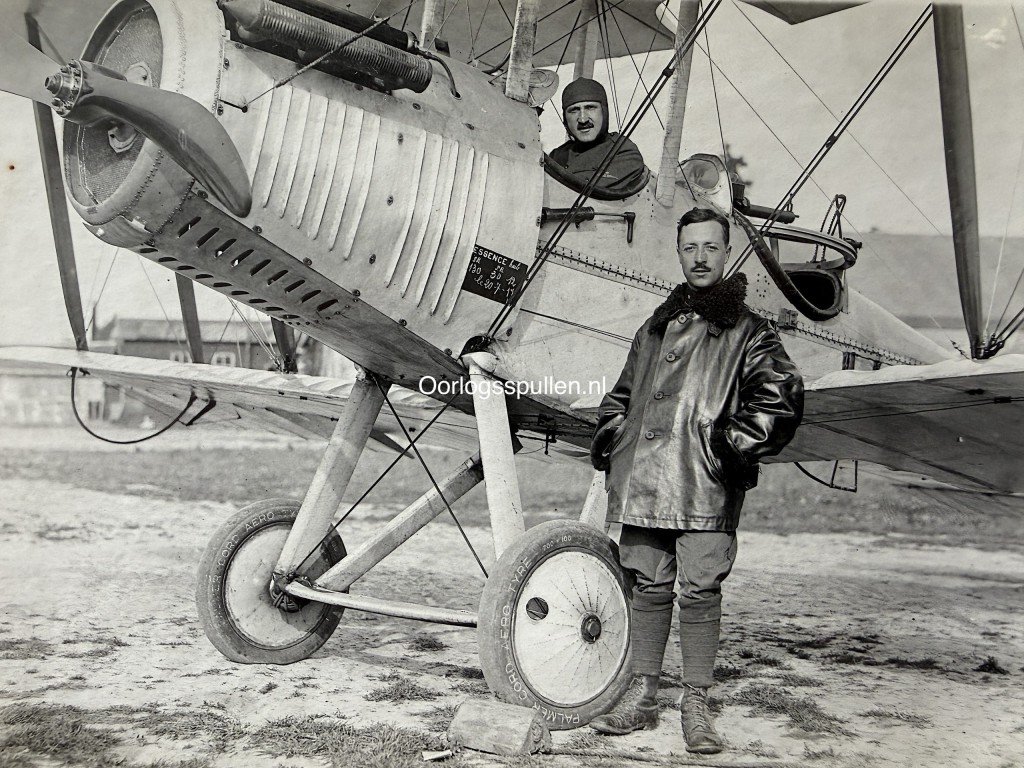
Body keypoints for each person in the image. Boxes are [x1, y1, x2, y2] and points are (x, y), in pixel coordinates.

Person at [588, 207, 804, 754]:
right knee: (648, 585)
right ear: (678, 252)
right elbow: (621, 395)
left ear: (727, 252)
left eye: (711, 247)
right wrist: (615, 434)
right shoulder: (654, 327)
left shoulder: (751, 331)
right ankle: (642, 697)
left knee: (701, 589)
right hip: (645, 480)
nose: (700, 258)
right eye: (690, 248)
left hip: (705, 482)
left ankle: (696, 706)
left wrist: (727, 448)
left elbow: (780, 400)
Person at [548, 78, 648, 197]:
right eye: (574, 110)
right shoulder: (557, 156)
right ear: (565, 118)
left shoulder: (623, 151)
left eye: (590, 108)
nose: (583, 119)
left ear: (604, 112)